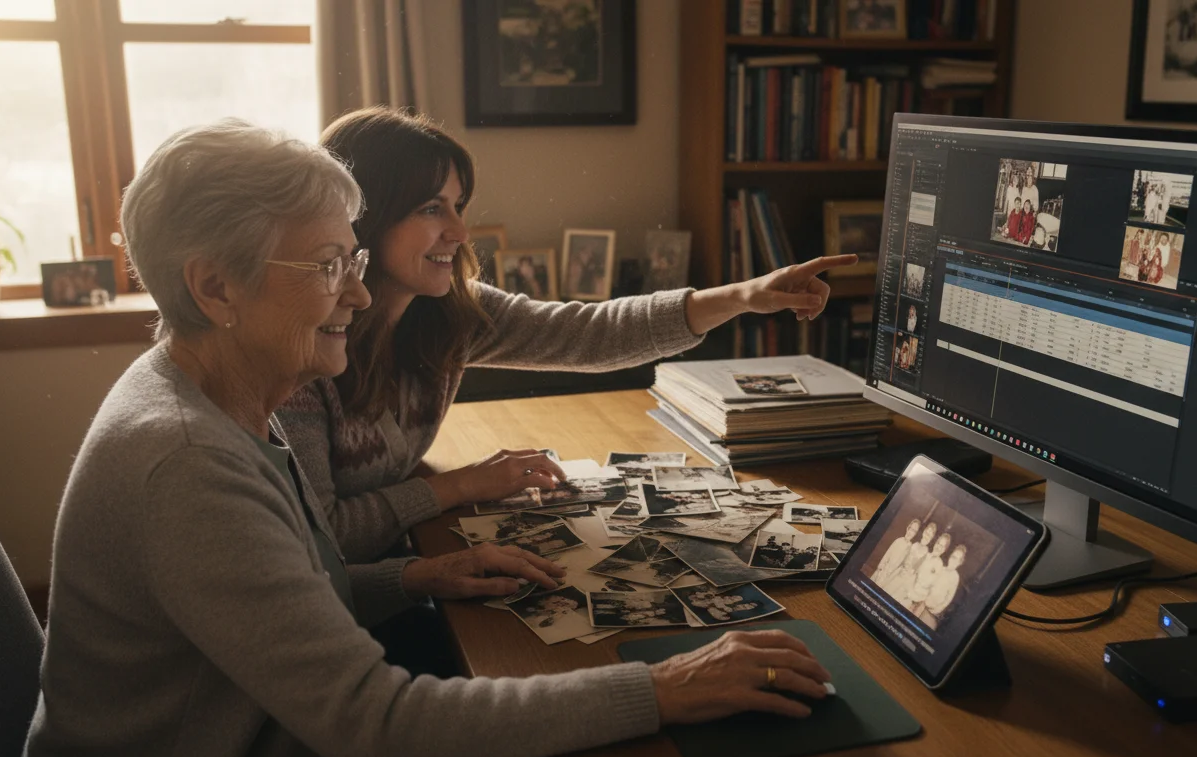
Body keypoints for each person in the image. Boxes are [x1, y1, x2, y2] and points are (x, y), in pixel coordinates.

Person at [23, 120, 833, 757]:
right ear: (215, 287)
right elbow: (379, 727)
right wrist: (662, 686)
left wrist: (412, 577)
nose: (361, 290)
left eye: (356, 259)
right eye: (330, 264)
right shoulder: (188, 462)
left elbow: (290, 588)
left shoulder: (216, 389)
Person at [277, 106, 855, 605]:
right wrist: (461, 486)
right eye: (432, 208)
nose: (459, 229)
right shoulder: (302, 354)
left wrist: (744, 297)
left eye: (459, 204)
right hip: (359, 603)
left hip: (410, 561)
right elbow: (328, 535)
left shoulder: (450, 315)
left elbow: (590, 333)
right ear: (363, 218)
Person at [885, 522, 937, 604]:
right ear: (923, 532)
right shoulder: (914, 545)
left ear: (931, 538)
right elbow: (903, 560)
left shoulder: (926, 555)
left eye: (929, 535)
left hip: (907, 583)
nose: (927, 536)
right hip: (898, 574)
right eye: (927, 533)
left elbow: (918, 573)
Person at [919, 544, 966, 629]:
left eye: (956, 559)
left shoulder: (955, 577)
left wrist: (937, 609)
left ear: (960, 562)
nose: (953, 560)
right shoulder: (941, 568)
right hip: (922, 603)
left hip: (932, 612)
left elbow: (948, 598)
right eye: (953, 556)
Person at [905, 533, 951, 611]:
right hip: (908, 592)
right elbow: (912, 571)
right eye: (938, 543)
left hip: (918, 601)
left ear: (944, 550)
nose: (938, 547)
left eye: (942, 546)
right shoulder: (925, 555)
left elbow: (932, 587)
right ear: (935, 543)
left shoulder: (940, 566)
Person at [873, 519, 921, 588]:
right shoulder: (898, 540)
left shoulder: (911, 548)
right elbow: (887, 554)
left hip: (893, 576)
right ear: (907, 528)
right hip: (883, 571)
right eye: (910, 528)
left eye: (914, 531)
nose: (910, 532)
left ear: (915, 534)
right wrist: (881, 567)